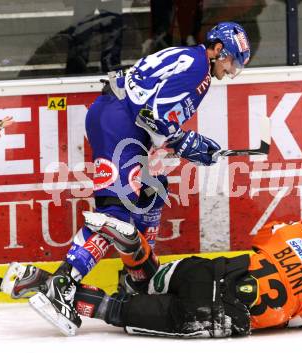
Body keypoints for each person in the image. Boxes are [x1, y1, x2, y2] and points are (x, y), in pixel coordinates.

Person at [25, 22, 251, 333]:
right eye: (232, 60)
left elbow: (158, 118)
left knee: (152, 192)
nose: (232, 68)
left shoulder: (195, 63)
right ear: (217, 50)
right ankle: (62, 284)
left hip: (123, 122)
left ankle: (136, 280)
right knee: (114, 212)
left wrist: (189, 144)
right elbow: (155, 116)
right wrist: (187, 143)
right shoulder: (197, 69)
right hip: (118, 124)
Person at [5, 216, 302, 337]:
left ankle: (131, 247)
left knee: (148, 281)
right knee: (121, 309)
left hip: (204, 270)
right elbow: (297, 320)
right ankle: (50, 287)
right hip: (213, 313)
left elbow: (265, 235)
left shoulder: (292, 241)